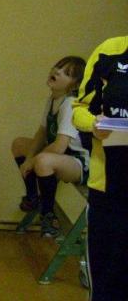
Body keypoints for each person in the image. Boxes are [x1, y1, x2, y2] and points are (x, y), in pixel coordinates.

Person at [72, 36, 128, 301]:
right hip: (109, 188)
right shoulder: (110, 52)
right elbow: (79, 109)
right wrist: (94, 123)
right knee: (108, 285)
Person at [10, 55, 87, 237]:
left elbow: (59, 146)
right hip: (60, 155)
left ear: (74, 85)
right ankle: (33, 197)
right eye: (58, 67)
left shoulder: (70, 104)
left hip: (79, 162)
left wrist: (33, 161)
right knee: (19, 144)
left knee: (43, 160)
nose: (57, 72)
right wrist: (29, 158)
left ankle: (48, 214)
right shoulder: (53, 98)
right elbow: (41, 133)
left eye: (66, 73)